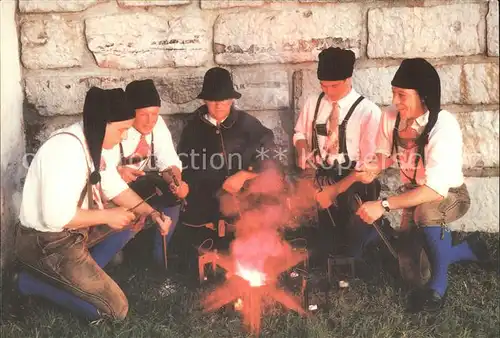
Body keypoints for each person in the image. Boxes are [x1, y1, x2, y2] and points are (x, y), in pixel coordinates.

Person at [14, 87, 171, 321]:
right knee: (115, 311)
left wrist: (152, 212)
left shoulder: (94, 142)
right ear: (102, 124)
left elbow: (115, 188)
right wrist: (109, 216)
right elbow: (55, 217)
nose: (125, 136)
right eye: (122, 130)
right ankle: (30, 283)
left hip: (73, 232)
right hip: (47, 242)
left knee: (136, 215)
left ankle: (79, 275)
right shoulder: (64, 151)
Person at [356, 58, 490, 312]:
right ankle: (468, 249)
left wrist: (383, 205)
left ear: (424, 96)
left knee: (425, 213)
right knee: (412, 275)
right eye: (394, 93)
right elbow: (385, 154)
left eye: (402, 95)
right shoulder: (390, 117)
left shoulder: (443, 126)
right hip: (414, 193)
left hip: (449, 195)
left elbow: (435, 190)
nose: (395, 101)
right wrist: (373, 167)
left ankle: (437, 290)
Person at [172, 67, 277, 274]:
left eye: (224, 99)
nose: (219, 104)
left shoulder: (247, 124)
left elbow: (270, 151)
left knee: (261, 213)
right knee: (201, 240)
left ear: (231, 100)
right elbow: (185, 164)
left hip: (244, 194)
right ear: (204, 101)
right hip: (207, 197)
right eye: (213, 100)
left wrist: (245, 175)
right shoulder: (193, 129)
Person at [293, 47, 383, 263]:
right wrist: (303, 150)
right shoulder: (313, 103)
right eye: (324, 85)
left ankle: (370, 234)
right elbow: (299, 134)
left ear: (348, 79)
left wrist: (334, 191)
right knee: (325, 249)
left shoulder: (368, 111)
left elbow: (368, 165)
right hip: (322, 173)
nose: (328, 91)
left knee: (351, 252)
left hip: (355, 179)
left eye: (334, 85)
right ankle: (328, 239)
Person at [101, 79, 188, 267]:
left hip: (134, 184)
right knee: (117, 252)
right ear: (130, 113)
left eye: (154, 114)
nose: (150, 121)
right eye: (143, 114)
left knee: (170, 194)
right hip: (106, 191)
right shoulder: (115, 127)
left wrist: (175, 181)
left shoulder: (157, 125)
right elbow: (100, 172)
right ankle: (101, 259)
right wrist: (117, 172)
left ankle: (159, 257)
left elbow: (168, 161)